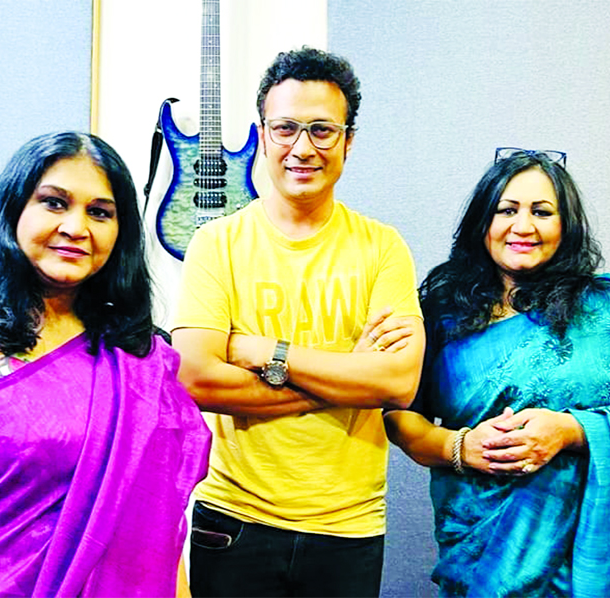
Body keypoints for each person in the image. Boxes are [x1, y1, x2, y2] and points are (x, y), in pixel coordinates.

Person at [171, 47, 425, 598]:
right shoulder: (216, 244)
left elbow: (398, 382)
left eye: (322, 130)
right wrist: (348, 377)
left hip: (348, 527)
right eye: (286, 128)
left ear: (348, 141)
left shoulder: (383, 248)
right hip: (235, 519)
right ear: (263, 136)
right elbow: (195, 378)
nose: (303, 148)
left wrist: (265, 352)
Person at [0, 131, 211, 597]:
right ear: (13, 209)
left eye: (100, 212)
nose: (77, 227)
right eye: (54, 203)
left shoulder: (138, 360)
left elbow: (156, 532)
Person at [384, 148, 610, 598]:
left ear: (566, 226)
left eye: (542, 212)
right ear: (483, 221)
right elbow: (399, 416)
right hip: (478, 551)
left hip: (583, 565)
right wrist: (459, 447)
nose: (523, 226)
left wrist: (572, 430)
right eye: (507, 210)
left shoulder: (609, 310)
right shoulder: (442, 309)